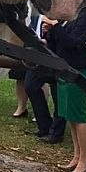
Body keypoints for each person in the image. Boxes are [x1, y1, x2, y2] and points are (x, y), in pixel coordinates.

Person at [47, 0, 86, 172]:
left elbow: (73, 44)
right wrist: (49, 32)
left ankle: (85, 160)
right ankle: (76, 156)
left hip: (78, 71)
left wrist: (56, 27)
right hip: (64, 70)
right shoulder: (65, 19)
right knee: (70, 115)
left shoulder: (85, 20)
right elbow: (57, 43)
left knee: (80, 116)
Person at [24, 13, 64, 143]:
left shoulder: (60, 14)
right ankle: (44, 126)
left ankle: (56, 133)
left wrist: (51, 34)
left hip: (57, 59)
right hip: (37, 59)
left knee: (58, 94)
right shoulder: (36, 15)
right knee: (30, 86)